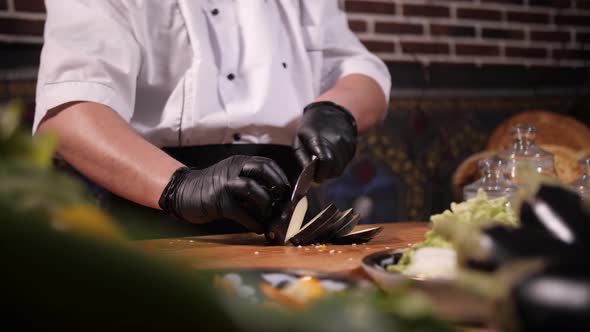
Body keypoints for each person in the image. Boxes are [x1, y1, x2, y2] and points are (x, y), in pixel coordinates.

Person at [34, 1, 391, 237]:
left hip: (290, 212)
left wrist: (337, 108)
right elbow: (69, 110)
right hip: (157, 210)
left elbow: (358, 68)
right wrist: (180, 185)